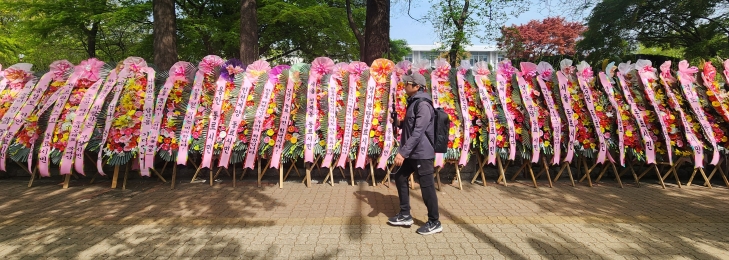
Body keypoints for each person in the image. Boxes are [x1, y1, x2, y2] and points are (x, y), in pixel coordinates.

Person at [387, 73, 442, 235]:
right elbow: (412, 124)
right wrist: (398, 122)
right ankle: (405, 215)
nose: (405, 86)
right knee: (400, 177)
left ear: (417, 86)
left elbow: (419, 131)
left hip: (422, 154)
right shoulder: (414, 102)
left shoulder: (423, 104)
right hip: (413, 153)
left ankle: (434, 221)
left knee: (427, 188)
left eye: (408, 83)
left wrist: (402, 153)